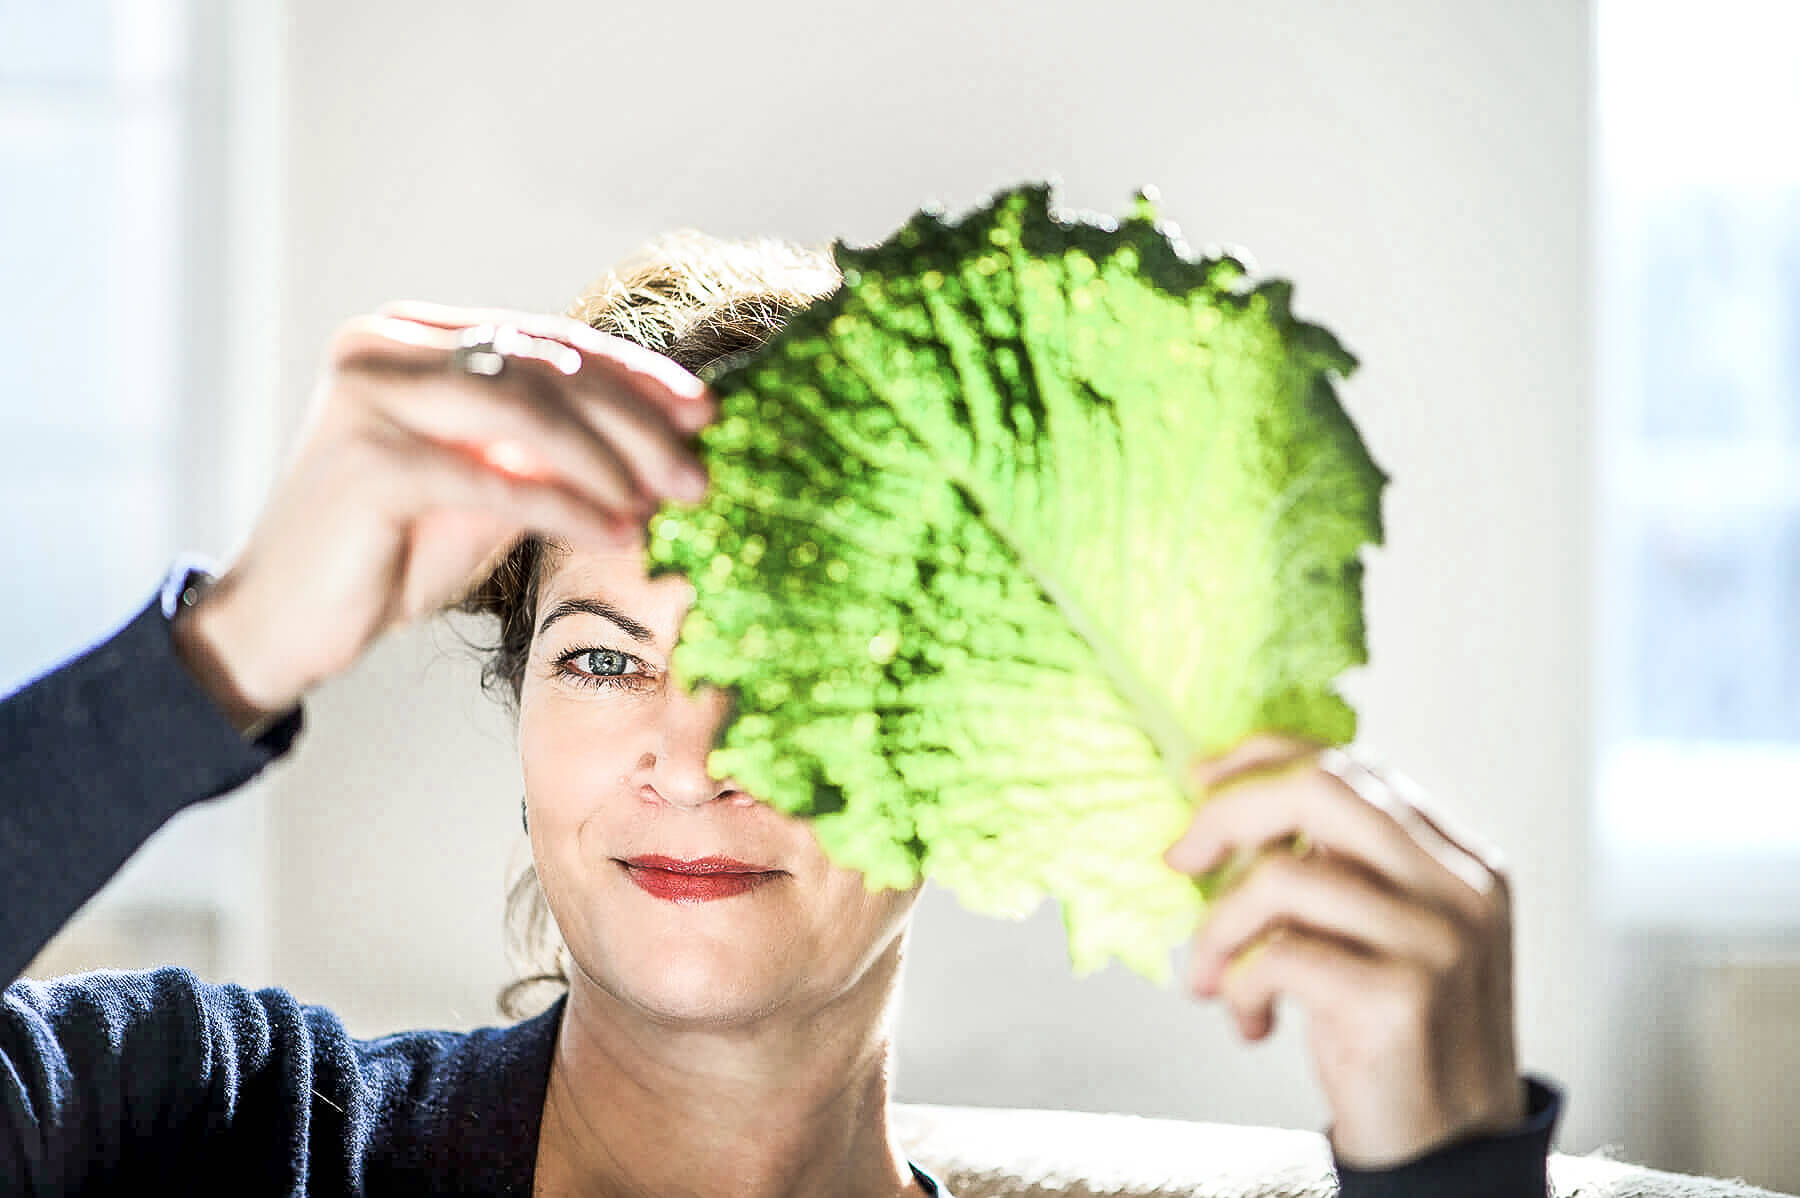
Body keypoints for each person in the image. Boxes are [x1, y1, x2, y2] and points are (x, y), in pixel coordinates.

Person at [0, 232, 1560, 1196]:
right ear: (525, 714)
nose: (691, 751)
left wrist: (1450, 1175)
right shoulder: (197, 1123)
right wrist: (216, 652)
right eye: (606, 657)